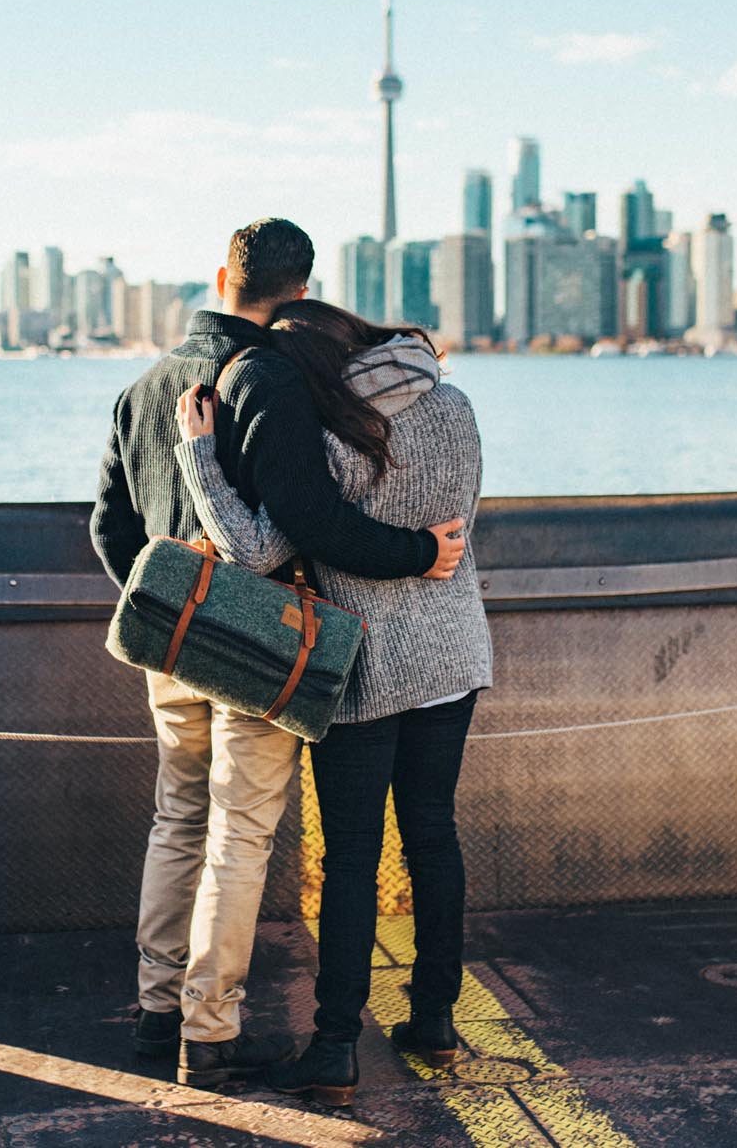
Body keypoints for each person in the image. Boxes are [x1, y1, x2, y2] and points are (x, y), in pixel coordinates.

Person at [89, 218, 468, 1091]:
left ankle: (156, 1011)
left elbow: (111, 526)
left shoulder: (143, 387)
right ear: (301, 291)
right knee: (240, 833)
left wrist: (159, 609)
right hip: (257, 651)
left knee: (176, 818)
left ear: (220, 275)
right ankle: (208, 1031)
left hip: (169, 650)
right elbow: (307, 522)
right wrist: (418, 552)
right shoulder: (266, 379)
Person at [170, 299, 490, 1109]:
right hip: (454, 653)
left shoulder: (331, 434)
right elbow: (456, 526)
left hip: (369, 664)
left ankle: (337, 1044)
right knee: (433, 835)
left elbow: (257, 547)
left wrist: (201, 456)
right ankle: (436, 1018)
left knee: (351, 855)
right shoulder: (455, 406)